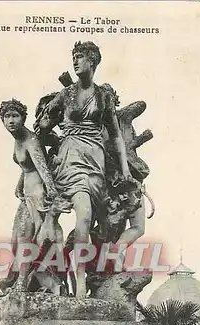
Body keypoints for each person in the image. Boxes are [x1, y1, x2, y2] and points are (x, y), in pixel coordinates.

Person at [35, 41, 134, 297]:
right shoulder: (65, 94)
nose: (75, 61)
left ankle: (90, 271)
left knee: (96, 221)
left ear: (93, 61)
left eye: (80, 57)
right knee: (84, 213)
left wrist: (125, 169)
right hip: (71, 157)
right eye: (73, 57)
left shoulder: (103, 96)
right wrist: (45, 125)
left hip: (96, 160)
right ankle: (79, 279)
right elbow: (44, 125)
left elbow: (115, 136)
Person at [0, 99, 58, 294]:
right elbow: (27, 167)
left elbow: (41, 166)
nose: (11, 121)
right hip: (27, 193)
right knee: (17, 239)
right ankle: (21, 280)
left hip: (37, 195)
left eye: (15, 116)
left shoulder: (31, 140)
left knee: (25, 239)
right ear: (2, 120)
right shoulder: (18, 139)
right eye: (7, 117)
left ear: (23, 118)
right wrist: (19, 184)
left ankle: (22, 283)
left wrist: (51, 190)